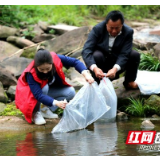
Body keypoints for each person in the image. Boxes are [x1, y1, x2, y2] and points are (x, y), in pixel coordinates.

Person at [15, 48, 94, 125]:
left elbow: (75, 62)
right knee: (44, 87)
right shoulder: (30, 73)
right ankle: (36, 113)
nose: (45, 72)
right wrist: (56, 102)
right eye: (41, 69)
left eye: (48, 68)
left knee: (70, 92)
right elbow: (38, 95)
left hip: (47, 90)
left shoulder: (56, 58)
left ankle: (45, 109)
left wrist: (86, 74)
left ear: (52, 63)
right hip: (30, 95)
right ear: (36, 66)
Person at [81, 10, 140, 90]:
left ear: (122, 25)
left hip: (118, 62)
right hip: (101, 62)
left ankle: (129, 82)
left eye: (117, 28)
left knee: (134, 55)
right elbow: (86, 50)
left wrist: (115, 69)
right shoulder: (97, 29)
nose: (114, 31)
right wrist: (94, 68)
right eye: (111, 28)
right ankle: (98, 83)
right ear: (106, 24)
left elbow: (124, 53)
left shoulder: (128, 32)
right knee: (96, 55)